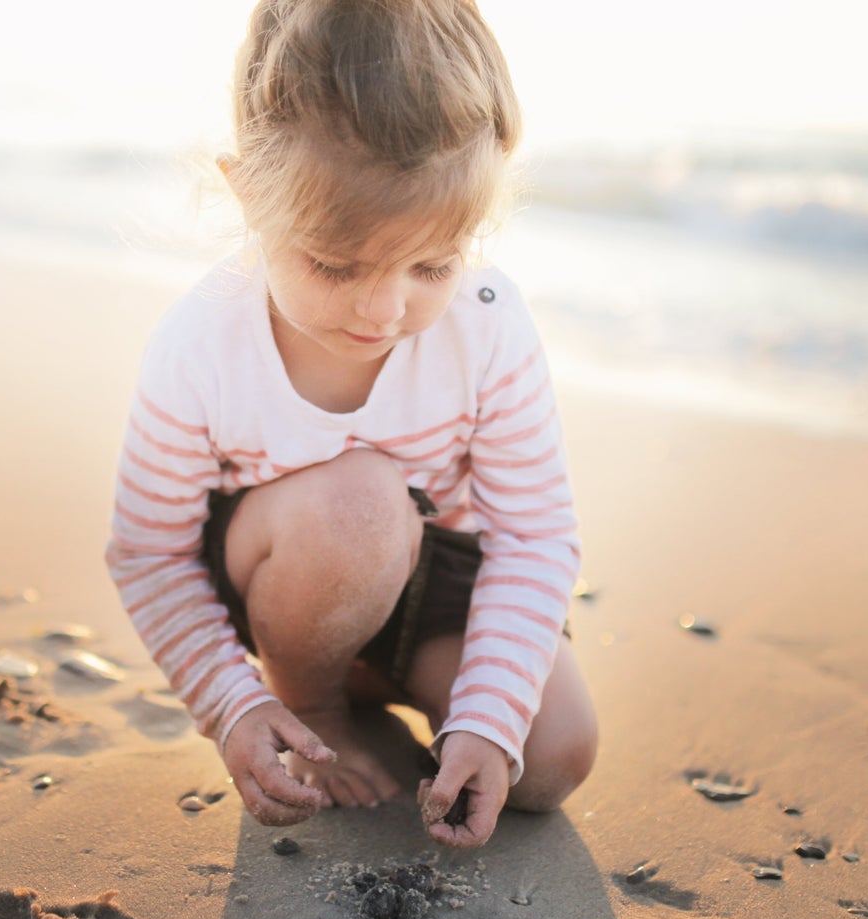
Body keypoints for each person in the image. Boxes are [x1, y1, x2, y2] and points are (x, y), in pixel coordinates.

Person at [106, 0, 595, 849]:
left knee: (550, 757)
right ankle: (316, 700)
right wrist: (236, 702)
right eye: (335, 263)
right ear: (250, 196)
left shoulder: (488, 326)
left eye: (432, 264)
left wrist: (489, 715)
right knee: (362, 505)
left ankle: (384, 685)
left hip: (434, 581)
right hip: (291, 573)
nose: (383, 308)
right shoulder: (201, 347)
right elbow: (148, 553)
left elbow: (536, 534)